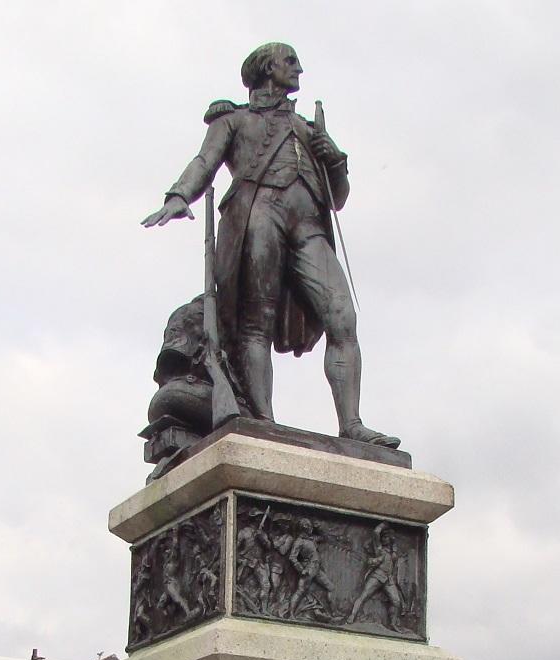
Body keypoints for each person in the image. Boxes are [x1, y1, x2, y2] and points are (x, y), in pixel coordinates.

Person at [142, 42, 398, 450]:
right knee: (253, 324)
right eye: (290, 62)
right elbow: (204, 162)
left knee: (342, 316)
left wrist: (335, 160)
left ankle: (351, 424)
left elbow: (337, 197)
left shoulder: (308, 129)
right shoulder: (234, 120)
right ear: (266, 69)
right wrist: (179, 195)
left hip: (309, 227)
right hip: (258, 218)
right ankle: (263, 421)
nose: (299, 69)